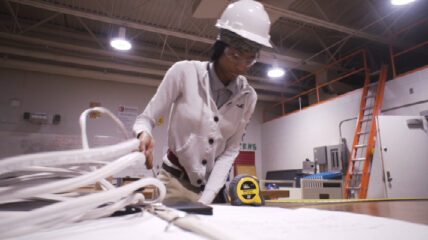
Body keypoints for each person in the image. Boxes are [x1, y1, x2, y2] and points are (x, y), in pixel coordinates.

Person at [133, 0, 272, 204]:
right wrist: (144, 133)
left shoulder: (248, 97)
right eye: (235, 55)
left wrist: (206, 198)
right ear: (220, 45)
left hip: (211, 188)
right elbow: (146, 119)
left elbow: (230, 151)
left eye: (249, 59)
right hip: (173, 182)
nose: (241, 66)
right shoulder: (184, 73)